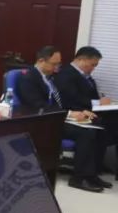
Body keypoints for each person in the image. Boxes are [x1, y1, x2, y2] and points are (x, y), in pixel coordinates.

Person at [17, 46, 111, 192]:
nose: (57, 68)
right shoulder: (28, 78)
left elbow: (58, 103)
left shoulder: (48, 78)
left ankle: (91, 174)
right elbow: (38, 106)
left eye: (59, 64)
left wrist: (77, 112)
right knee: (86, 133)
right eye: (54, 64)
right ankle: (78, 178)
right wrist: (69, 114)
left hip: (56, 118)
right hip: (44, 123)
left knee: (98, 128)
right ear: (41, 61)